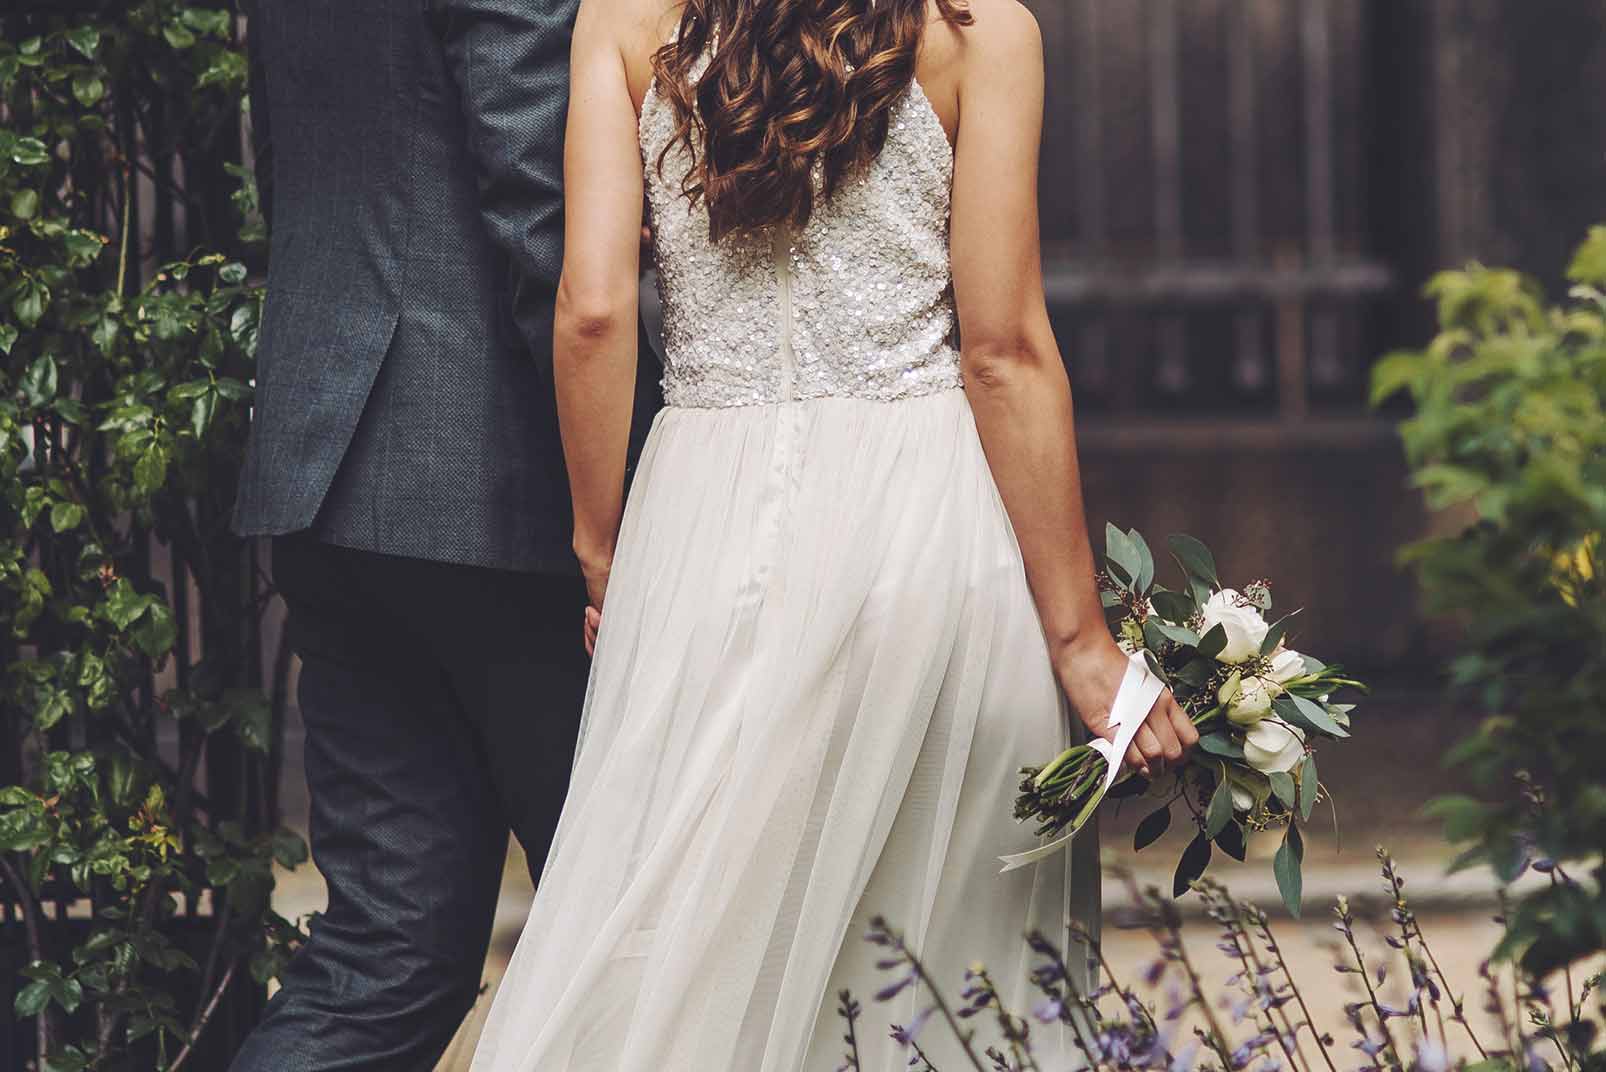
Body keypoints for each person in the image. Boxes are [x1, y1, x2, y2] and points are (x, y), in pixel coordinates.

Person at [470, 0, 1197, 1067]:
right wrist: (1083, 643)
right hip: (927, 525)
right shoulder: (985, 31)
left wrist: (603, 553)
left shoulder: (623, 21)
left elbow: (589, 306)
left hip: (702, 519)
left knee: (687, 936)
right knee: (939, 968)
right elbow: (1001, 352)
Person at [228, 0, 657, 1067]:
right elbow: (545, 214)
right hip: (501, 495)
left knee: (385, 956)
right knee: (636, 930)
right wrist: (639, 495)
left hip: (326, 464)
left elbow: (288, 155)